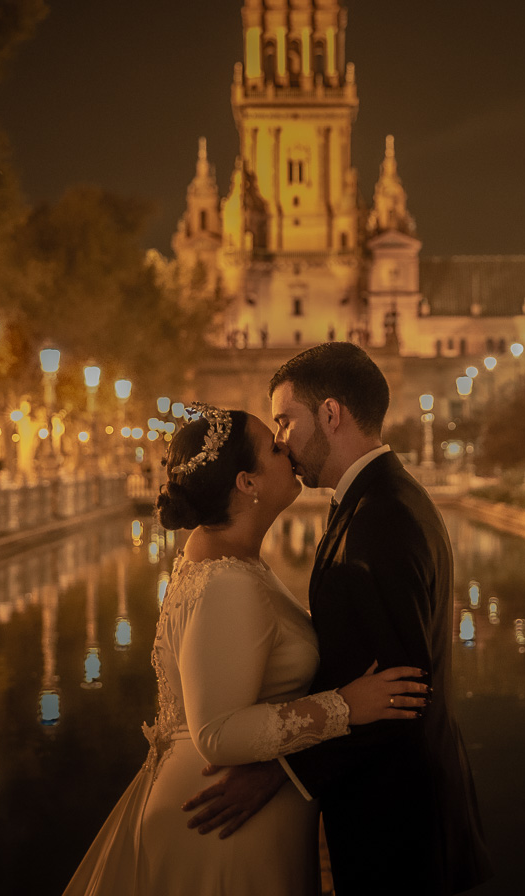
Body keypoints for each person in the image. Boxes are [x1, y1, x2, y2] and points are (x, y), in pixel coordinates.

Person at [62, 404, 428, 896]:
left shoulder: (223, 554)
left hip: (224, 810)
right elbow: (218, 733)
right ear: (247, 483)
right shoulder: (229, 581)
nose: (288, 449)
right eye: (275, 446)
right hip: (222, 821)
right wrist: (346, 706)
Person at [182, 342, 493, 894]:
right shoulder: (372, 502)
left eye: (285, 420)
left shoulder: (382, 519)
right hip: (392, 818)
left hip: (399, 830)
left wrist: (281, 772)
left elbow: (401, 693)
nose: (279, 440)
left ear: (330, 413)